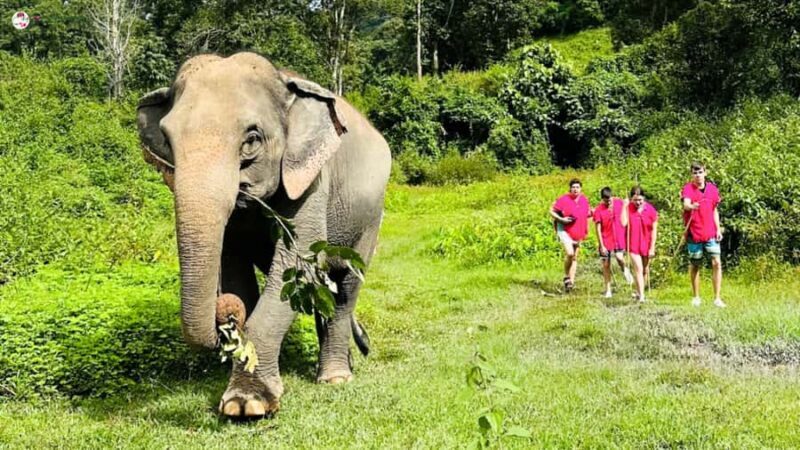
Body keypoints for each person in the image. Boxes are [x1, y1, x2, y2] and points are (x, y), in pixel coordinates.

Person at [681, 162, 725, 307]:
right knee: (695, 264)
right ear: (691, 175)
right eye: (695, 173)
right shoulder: (688, 188)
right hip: (694, 232)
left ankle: (717, 298)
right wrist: (691, 206)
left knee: (716, 262)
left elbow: (714, 210)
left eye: (700, 172)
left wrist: (718, 229)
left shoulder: (713, 189)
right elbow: (686, 204)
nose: (697, 175)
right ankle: (696, 297)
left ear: (705, 173)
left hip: (711, 232)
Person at [550, 178, 592, 293]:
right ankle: (566, 276)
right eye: (573, 187)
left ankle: (570, 283)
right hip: (565, 230)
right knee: (570, 253)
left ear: (581, 189)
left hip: (578, 231)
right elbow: (552, 211)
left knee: (574, 257)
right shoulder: (564, 199)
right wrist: (561, 219)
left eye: (577, 187)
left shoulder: (584, 200)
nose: (575, 189)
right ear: (570, 188)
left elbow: (586, 213)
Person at [593, 187, 633, 298]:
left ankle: (625, 269)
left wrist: (627, 203)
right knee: (606, 265)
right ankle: (608, 290)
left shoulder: (619, 203)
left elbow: (629, 208)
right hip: (606, 239)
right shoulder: (598, 210)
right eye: (606, 200)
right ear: (602, 199)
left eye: (610, 199)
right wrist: (601, 245)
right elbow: (598, 229)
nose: (608, 202)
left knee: (620, 257)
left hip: (619, 238)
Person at [626, 186, 658, 303]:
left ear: (644, 198)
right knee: (638, 269)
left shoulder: (651, 210)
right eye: (635, 200)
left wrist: (652, 247)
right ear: (631, 199)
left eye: (640, 200)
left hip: (647, 243)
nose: (638, 202)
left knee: (644, 270)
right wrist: (625, 206)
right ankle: (642, 297)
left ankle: (639, 291)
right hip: (633, 244)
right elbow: (623, 222)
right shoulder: (627, 208)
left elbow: (654, 230)